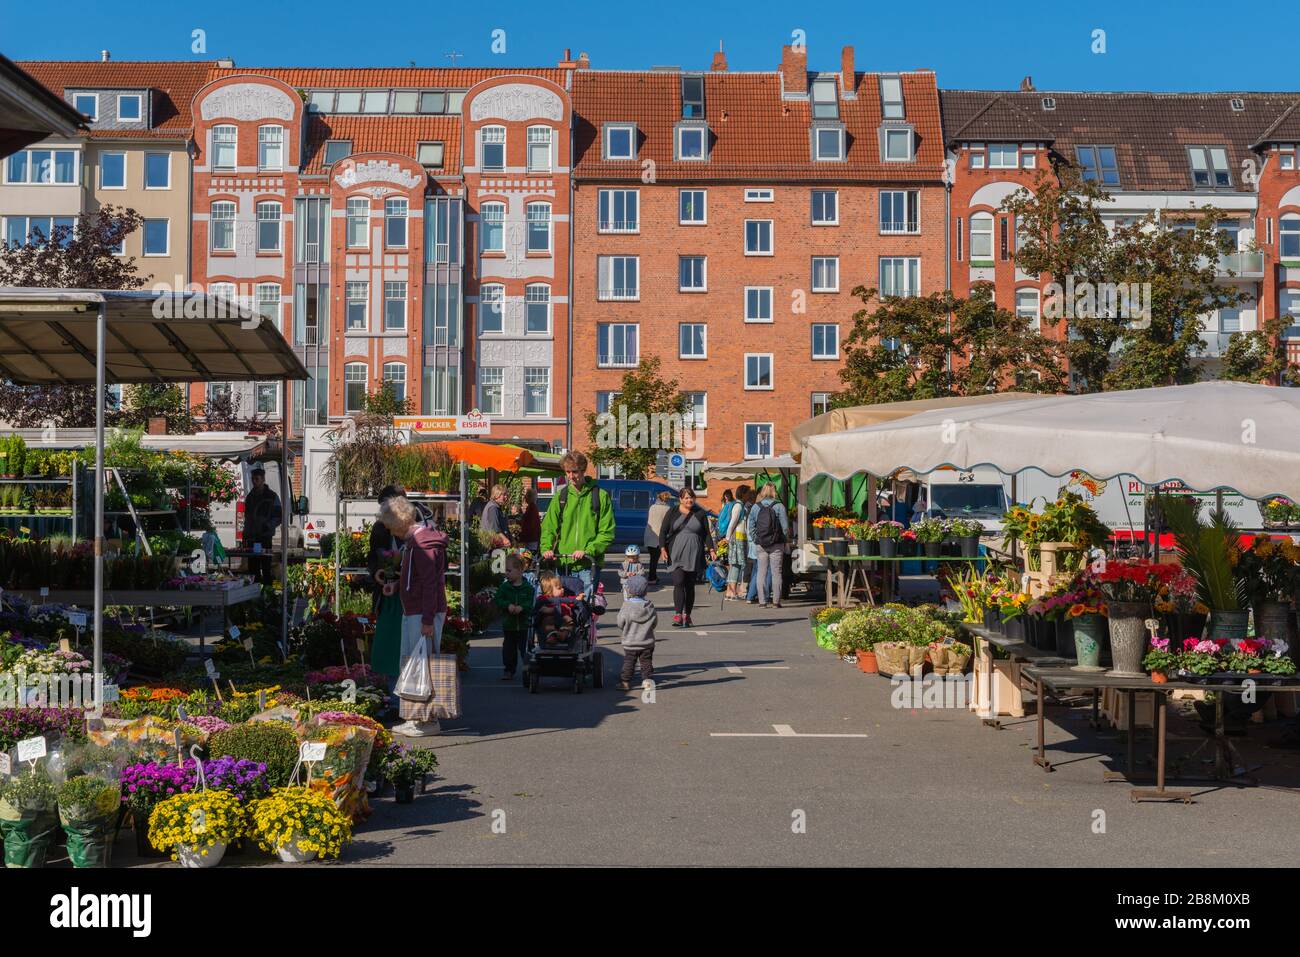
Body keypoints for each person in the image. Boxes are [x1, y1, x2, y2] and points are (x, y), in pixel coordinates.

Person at [380, 494, 449, 737]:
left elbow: (431, 584)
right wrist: (398, 586)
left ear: (398, 523)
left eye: (390, 527)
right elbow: (420, 579)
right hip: (418, 611)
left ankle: (424, 721)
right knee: (415, 666)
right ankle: (417, 718)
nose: (391, 532)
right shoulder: (417, 542)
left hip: (422, 613)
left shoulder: (421, 545)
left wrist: (428, 620)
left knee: (420, 667)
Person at [539, 451, 616, 595]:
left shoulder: (600, 496)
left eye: (574, 471)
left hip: (588, 564)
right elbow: (548, 527)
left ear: (583, 470)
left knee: (585, 607)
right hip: (563, 563)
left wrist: (588, 550)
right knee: (562, 608)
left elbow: (607, 532)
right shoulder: (561, 496)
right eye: (567, 472)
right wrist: (546, 548)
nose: (570, 476)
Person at [368, 484, 407, 681]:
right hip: (386, 589)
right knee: (386, 641)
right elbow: (373, 555)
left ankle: (400, 689)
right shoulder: (379, 528)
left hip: (406, 594)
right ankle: (390, 689)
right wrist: (376, 572)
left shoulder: (412, 525)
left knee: (403, 641)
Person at [659, 486, 712, 628]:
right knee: (678, 581)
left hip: (694, 554)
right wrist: (663, 548)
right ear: (681, 499)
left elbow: (706, 534)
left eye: (691, 497)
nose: (689, 500)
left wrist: (712, 549)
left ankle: (687, 615)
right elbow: (663, 531)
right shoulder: (673, 511)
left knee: (689, 585)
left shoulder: (700, 513)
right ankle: (677, 614)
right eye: (687, 497)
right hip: (675, 552)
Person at [747, 484, 790, 609]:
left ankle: (762, 601)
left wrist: (756, 539)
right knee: (776, 572)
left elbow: (751, 526)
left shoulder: (756, 507)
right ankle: (776, 601)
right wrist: (783, 539)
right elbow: (785, 527)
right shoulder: (779, 506)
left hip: (761, 544)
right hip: (776, 544)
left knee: (761, 572)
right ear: (774, 492)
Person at [494, 553, 534, 680]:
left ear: (520, 570)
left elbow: (531, 602)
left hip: (524, 625)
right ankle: (509, 670)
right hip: (509, 625)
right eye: (505, 570)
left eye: (509, 570)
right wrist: (507, 605)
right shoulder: (505, 587)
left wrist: (523, 607)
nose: (506, 573)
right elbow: (498, 599)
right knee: (508, 650)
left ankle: (528, 668)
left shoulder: (528, 588)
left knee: (525, 648)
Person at [242, 465, 282, 586]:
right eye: (253, 479)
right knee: (253, 569)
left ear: (263, 479)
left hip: (264, 538)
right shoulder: (250, 497)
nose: (254, 481)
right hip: (252, 537)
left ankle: (268, 595)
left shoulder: (272, 496)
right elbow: (247, 518)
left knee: (266, 567)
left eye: (257, 479)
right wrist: (245, 534)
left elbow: (278, 517)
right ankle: (254, 596)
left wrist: (268, 526)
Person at [617, 575, 656, 691]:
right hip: (647, 641)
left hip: (630, 641)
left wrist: (625, 628)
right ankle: (647, 682)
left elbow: (620, 622)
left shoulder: (627, 606)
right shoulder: (649, 606)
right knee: (646, 662)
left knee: (629, 662)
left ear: (629, 590)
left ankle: (625, 682)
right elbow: (654, 622)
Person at [724, 485, 751, 601]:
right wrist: (727, 538)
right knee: (736, 565)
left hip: (738, 538)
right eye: (748, 493)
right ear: (743, 494)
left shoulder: (740, 505)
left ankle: (729, 592)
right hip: (737, 539)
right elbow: (732, 523)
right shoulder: (739, 506)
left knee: (735, 565)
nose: (749, 495)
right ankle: (732, 592)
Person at [535, 570, 576, 645]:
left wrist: (577, 599)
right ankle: (552, 636)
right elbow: (540, 609)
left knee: (569, 622)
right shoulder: (544, 599)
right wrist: (548, 610)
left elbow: (573, 601)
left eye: (562, 587)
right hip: (551, 619)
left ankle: (563, 634)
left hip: (564, 618)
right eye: (559, 588)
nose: (563, 589)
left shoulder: (565, 598)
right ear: (549, 590)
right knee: (547, 622)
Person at [644, 490, 674, 584]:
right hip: (660, 537)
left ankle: (652, 577)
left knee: (653, 558)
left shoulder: (652, 507)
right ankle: (654, 577)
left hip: (650, 535)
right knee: (667, 556)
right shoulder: (668, 509)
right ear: (667, 499)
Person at [518, 486, 542, 553]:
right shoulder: (532, 507)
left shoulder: (532, 508)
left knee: (528, 559)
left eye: (526, 496)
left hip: (529, 540)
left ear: (529, 497)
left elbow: (530, 526)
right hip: (531, 539)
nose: (525, 498)